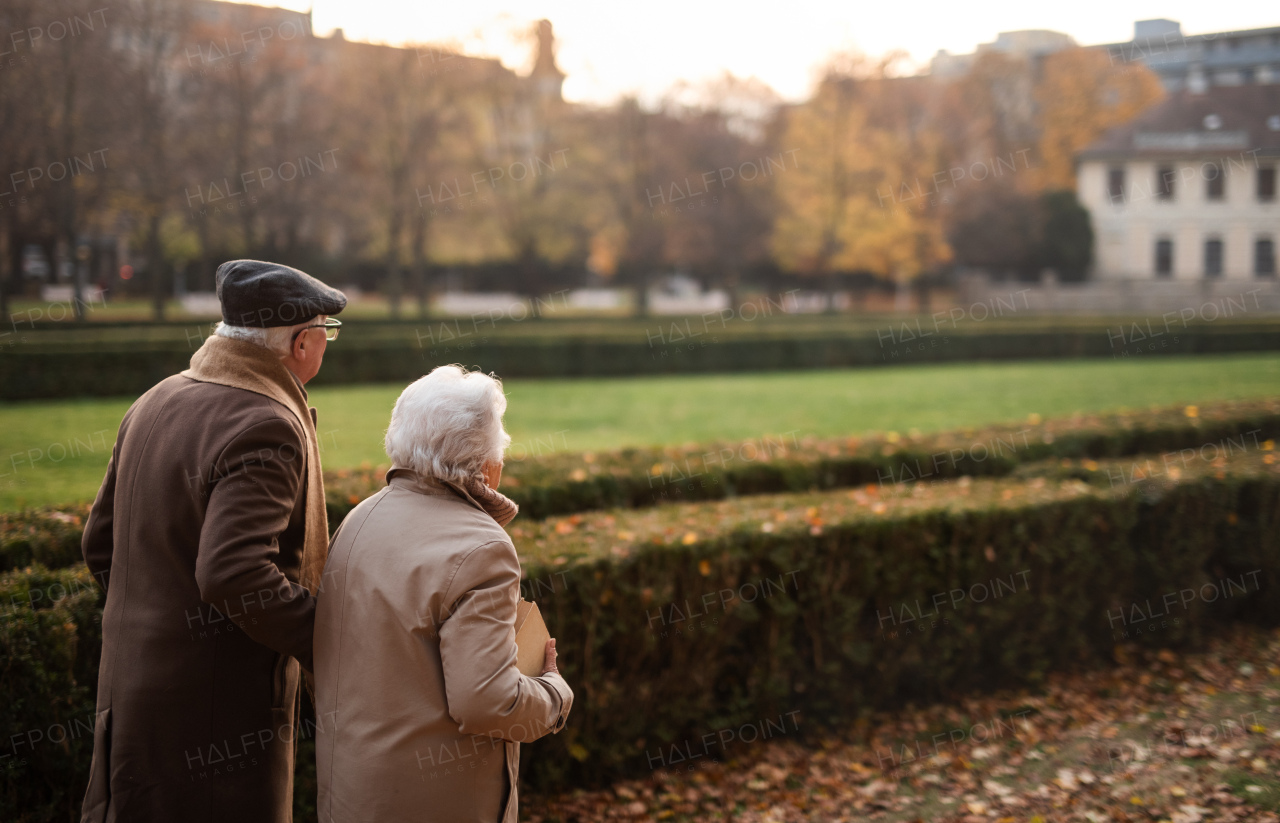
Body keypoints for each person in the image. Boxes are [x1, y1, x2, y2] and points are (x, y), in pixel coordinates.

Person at [79, 259, 347, 823]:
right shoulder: (265, 421)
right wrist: (332, 637)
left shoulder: (156, 398)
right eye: (327, 330)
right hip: (216, 716)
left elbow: (101, 544)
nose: (327, 342)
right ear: (301, 342)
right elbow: (234, 573)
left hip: (129, 689)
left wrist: (160, 622)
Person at [314, 365, 573, 823]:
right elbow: (487, 702)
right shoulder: (483, 545)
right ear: (487, 464)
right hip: (438, 800)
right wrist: (554, 694)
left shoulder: (359, 519)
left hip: (352, 792)